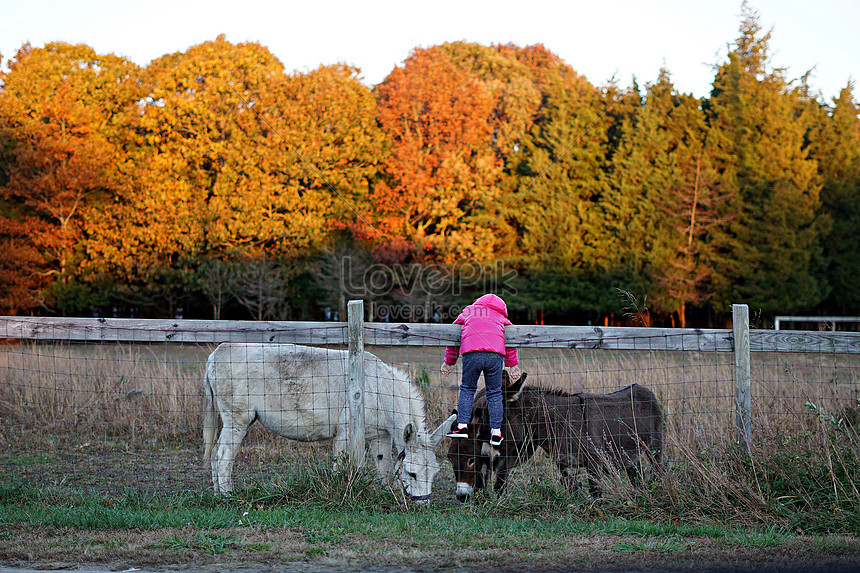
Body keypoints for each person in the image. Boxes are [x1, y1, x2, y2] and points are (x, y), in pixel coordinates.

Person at [441, 293, 521, 446]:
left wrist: (448, 362)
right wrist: (513, 366)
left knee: (468, 389)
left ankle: (462, 426)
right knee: (494, 393)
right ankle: (496, 433)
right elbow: (511, 341)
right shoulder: (501, 318)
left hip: (472, 354)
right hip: (495, 356)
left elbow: (453, 334)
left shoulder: (469, 311)